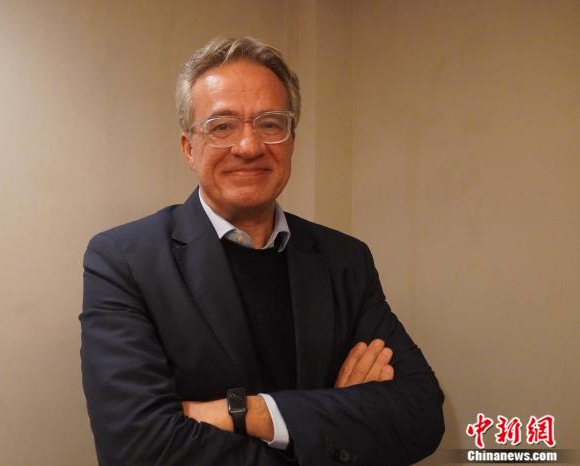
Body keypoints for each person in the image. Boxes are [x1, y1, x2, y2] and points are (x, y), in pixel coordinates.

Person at [80, 36, 444, 466]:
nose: (249, 147)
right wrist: (329, 422)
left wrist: (248, 413)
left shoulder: (345, 260)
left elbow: (421, 414)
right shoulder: (124, 261)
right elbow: (137, 449)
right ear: (189, 149)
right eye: (222, 126)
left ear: (291, 141)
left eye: (271, 124)